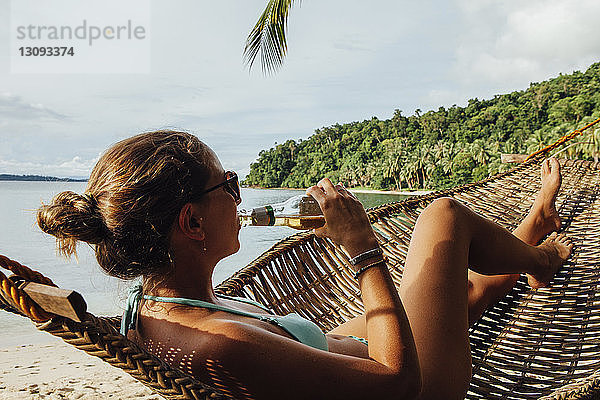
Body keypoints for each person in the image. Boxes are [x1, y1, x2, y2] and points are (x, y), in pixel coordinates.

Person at [37, 130, 572, 400]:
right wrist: (362, 249)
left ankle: (530, 231)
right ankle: (542, 256)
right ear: (192, 223)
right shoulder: (220, 343)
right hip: (415, 387)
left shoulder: (153, 308)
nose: (238, 194)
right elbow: (400, 381)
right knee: (442, 219)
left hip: (332, 351)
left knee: (450, 292)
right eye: (229, 184)